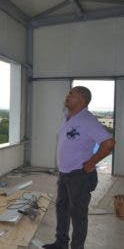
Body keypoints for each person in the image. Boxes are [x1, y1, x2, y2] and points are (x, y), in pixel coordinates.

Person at [43, 86, 115, 249]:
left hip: (79, 176)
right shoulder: (67, 116)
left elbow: (109, 144)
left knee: (78, 215)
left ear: (82, 100)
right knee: (62, 208)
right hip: (64, 173)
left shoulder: (88, 120)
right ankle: (61, 243)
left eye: (71, 94)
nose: (67, 96)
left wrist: (91, 162)